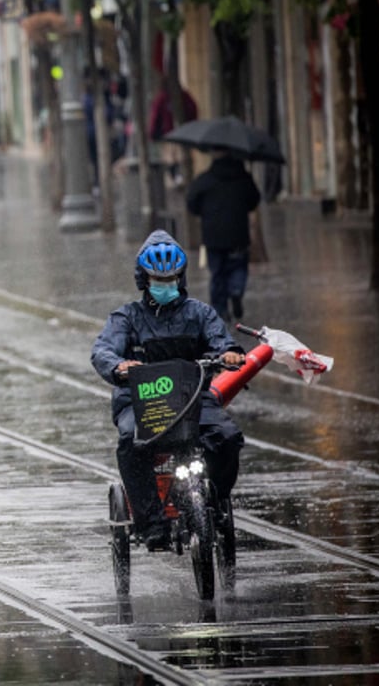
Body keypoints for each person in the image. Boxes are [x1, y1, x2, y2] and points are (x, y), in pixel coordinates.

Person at [90, 231, 246, 550]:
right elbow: (103, 350)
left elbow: (221, 340)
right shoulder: (126, 318)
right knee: (131, 444)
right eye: (158, 279)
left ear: (181, 277)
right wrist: (119, 366)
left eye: (171, 279)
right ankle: (151, 524)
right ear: (143, 279)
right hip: (140, 403)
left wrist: (229, 352)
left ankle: (213, 498)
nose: (165, 285)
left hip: (191, 400)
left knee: (227, 437)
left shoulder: (200, 314)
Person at [187, 152, 262, 322]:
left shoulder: (205, 179)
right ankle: (236, 291)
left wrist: (205, 212)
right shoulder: (244, 178)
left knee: (217, 273)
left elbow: (192, 202)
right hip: (238, 234)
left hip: (213, 236)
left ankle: (220, 309)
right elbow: (254, 200)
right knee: (239, 267)